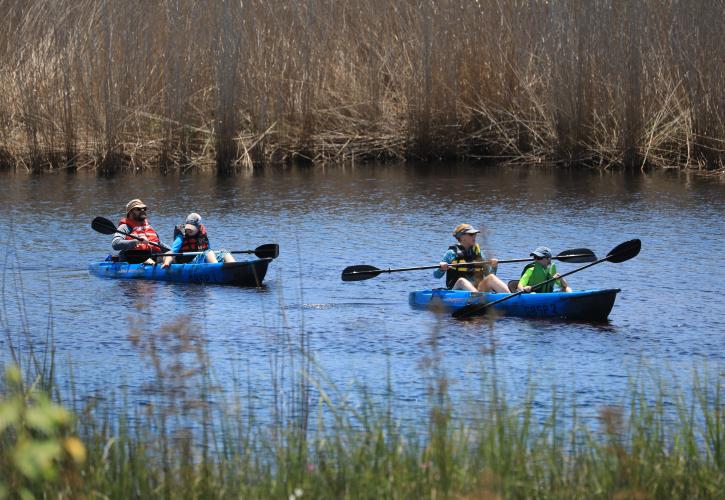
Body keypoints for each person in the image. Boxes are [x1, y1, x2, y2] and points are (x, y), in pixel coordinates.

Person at [434, 223, 509, 293]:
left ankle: (511, 297)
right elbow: (436, 275)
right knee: (462, 281)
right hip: (455, 292)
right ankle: (478, 298)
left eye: (475, 234)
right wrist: (441, 268)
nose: (474, 236)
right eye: (471, 234)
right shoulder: (451, 253)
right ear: (462, 237)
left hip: (476, 290)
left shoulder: (478, 253)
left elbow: (488, 274)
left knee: (491, 277)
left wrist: (494, 267)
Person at [161, 213, 235, 268]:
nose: (189, 230)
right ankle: (217, 269)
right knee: (208, 253)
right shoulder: (181, 236)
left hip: (200, 259)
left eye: (192, 228)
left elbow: (209, 250)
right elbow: (172, 252)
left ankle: (235, 268)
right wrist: (167, 262)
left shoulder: (202, 234)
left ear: (199, 227)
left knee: (225, 252)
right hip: (187, 262)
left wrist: (218, 253)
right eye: (188, 227)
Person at [112, 199, 166, 264]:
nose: (142, 210)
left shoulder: (148, 227)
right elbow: (115, 244)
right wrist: (137, 241)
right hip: (135, 258)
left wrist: (173, 252)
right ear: (130, 212)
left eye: (144, 208)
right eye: (138, 209)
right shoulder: (125, 227)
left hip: (154, 256)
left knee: (172, 255)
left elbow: (158, 243)